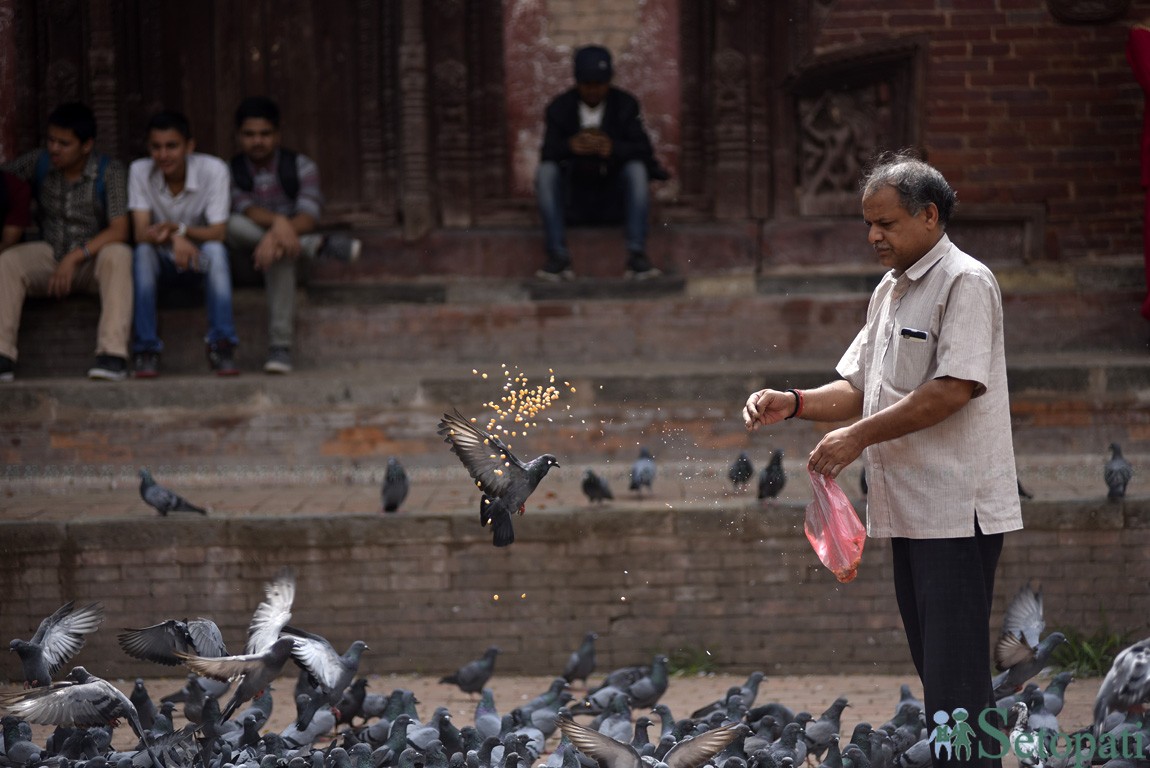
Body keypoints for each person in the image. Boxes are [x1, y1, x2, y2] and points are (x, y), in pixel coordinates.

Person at [743, 153, 1022, 768]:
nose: (874, 236)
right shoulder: (890, 291)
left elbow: (952, 389)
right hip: (908, 509)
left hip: (956, 510)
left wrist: (857, 438)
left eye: (886, 224)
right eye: (868, 224)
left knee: (956, 680)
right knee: (938, 672)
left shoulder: (965, 282)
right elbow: (859, 387)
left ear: (929, 216)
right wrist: (790, 403)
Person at [226, 96, 361, 374]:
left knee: (282, 253)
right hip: (243, 261)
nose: (257, 141)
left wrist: (277, 237)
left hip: (287, 260)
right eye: (249, 135)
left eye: (264, 134)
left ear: (277, 135)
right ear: (238, 136)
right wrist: (278, 223)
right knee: (232, 224)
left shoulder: (301, 167)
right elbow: (245, 211)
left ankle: (280, 348)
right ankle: (316, 246)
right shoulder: (229, 172)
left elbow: (308, 217)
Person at [0, 102, 133, 382]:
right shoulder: (38, 163)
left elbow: (120, 229)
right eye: (51, 140)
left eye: (64, 143)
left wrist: (75, 257)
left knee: (119, 254)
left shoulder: (110, 171)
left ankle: (112, 355)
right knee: (8, 261)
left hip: (89, 261)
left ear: (86, 146)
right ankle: (2, 356)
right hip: (49, 255)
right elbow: (4, 183)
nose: (54, 149)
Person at [535, 44, 667, 281]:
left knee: (636, 169)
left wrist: (612, 148)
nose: (594, 91)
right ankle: (557, 256)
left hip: (613, 198)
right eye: (588, 84)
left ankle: (637, 255)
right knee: (546, 172)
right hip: (573, 198)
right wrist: (570, 146)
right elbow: (547, 154)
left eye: (600, 84)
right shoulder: (560, 107)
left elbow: (645, 153)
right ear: (577, 82)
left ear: (609, 81)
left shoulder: (625, 105)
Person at [129, 109, 237, 377]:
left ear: (190, 146)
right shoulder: (140, 171)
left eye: (172, 146)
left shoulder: (214, 170)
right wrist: (177, 239)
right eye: (156, 147)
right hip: (161, 261)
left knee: (216, 252)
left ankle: (222, 346)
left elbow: (219, 232)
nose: (163, 155)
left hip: (198, 261)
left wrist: (180, 232)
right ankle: (145, 349)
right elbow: (141, 233)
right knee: (142, 253)